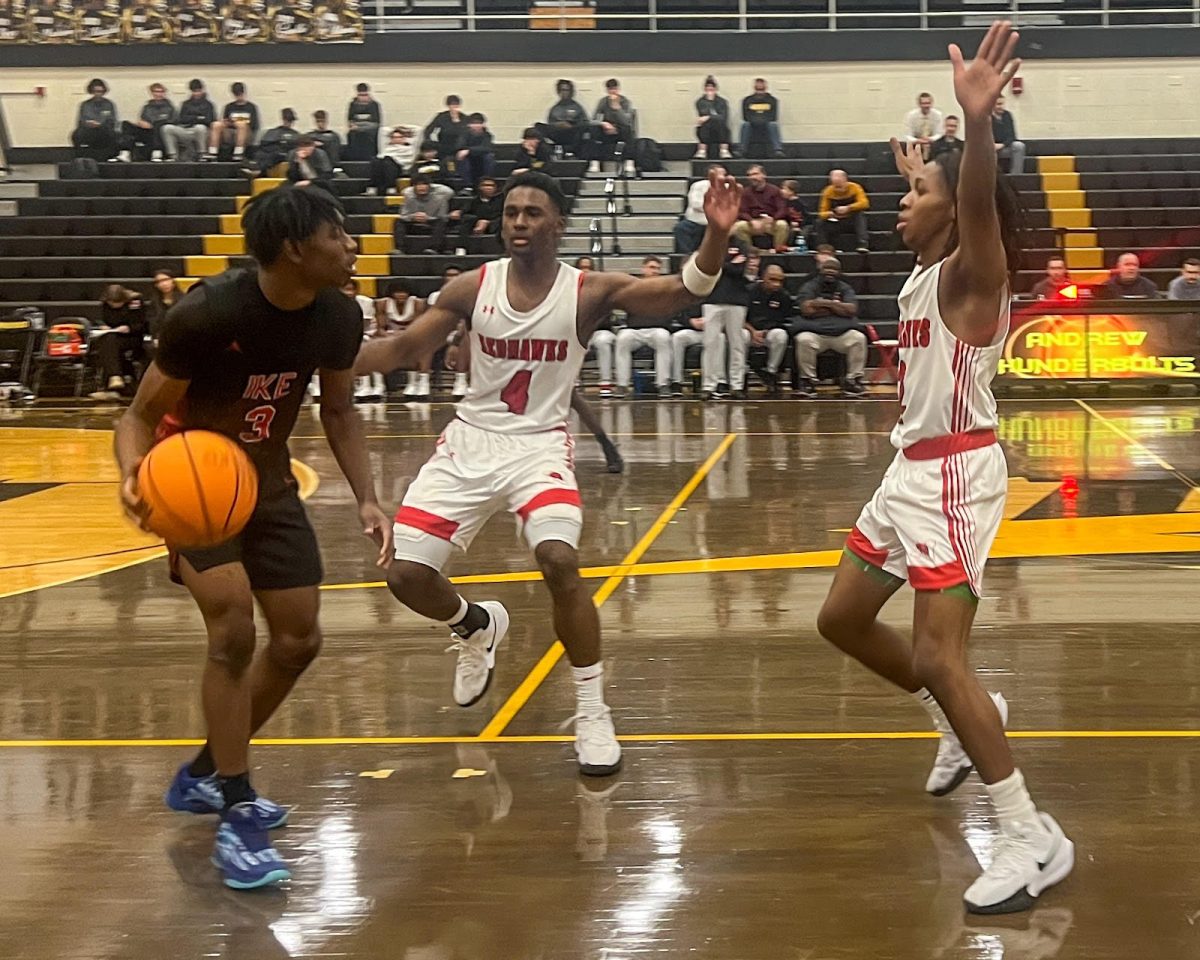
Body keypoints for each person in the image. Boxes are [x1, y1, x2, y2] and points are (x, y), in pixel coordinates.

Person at [355, 169, 741, 776]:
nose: (519, 223)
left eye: (533, 213)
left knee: (559, 560)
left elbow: (684, 290)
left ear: (558, 224)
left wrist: (715, 236)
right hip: (470, 443)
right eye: (511, 213)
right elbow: (399, 351)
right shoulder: (470, 287)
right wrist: (317, 352)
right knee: (404, 574)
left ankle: (592, 708)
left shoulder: (586, 291)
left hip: (538, 446)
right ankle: (474, 625)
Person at [816, 22, 1074, 915]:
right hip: (906, 475)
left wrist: (975, 128)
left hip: (958, 478)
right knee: (843, 619)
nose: (901, 199)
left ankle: (1027, 832)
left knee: (937, 651)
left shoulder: (975, 276)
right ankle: (957, 716)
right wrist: (919, 174)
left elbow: (972, 209)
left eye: (914, 192)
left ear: (958, 212)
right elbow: (938, 214)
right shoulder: (925, 277)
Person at [113, 186, 392, 890]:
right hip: (194, 487)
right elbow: (137, 415)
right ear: (296, 248)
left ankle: (206, 773)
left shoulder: (336, 315)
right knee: (234, 627)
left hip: (265, 485)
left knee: (299, 639)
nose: (351, 244)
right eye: (338, 233)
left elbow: (339, 411)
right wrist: (134, 478)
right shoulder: (209, 312)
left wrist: (368, 497)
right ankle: (238, 813)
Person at [792, 257, 864, 398]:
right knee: (803, 339)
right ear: (820, 270)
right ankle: (808, 381)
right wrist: (837, 306)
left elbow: (851, 309)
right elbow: (806, 309)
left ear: (839, 272)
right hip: (815, 334)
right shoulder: (810, 286)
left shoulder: (845, 287)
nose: (830, 272)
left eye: (834, 269)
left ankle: (853, 380)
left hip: (841, 334)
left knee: (858, 338)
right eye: (827, 268)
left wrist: (823, 304)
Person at [701, 235, 754, 400]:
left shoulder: (742, 244)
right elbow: (706, 267)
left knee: (737, 344)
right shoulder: (710, 242)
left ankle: (736, 386)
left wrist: (720, 265)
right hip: (712, 299)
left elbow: (739, 270)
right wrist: (729, 264)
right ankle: (708, 386)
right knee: (710, 344)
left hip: (736, 300)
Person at [614, 256, 672, 399]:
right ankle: (622, 384)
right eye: (652, 268)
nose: (655, 271)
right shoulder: (633, 288)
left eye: (658, 269)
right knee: (622, 338)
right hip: (634, 330)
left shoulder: (665, 289)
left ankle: (663, 384)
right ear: (644, 269)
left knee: (663, 337)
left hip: (656, 329)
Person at [90, 284, 148, 400]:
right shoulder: (105, 304)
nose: (114, 306)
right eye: (112, 303)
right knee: (107, 341)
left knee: (108, 344)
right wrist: (103, 326)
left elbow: (143, 325)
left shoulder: (135, 301)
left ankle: (112, 381)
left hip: (132, 337)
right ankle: (115, 379)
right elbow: (100, 319)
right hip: (113, 337)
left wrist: (129, 328)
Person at [745, 263, 794, 397]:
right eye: (772, 279)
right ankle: (741, 375)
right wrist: (752, 331)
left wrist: (766, 331)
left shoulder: (784, 296)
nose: (777, 284)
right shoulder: (749, 291)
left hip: (769, 332)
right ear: (762, 278)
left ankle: (771, 373)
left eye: (780, 281)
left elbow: (783, 320)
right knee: (740, 335)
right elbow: (738, 316)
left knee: (781, 335)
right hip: (748, 330)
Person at [734, 164, 789, 253]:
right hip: (753, 222)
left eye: (755, 174)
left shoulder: (774, 190)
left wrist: (774, 219)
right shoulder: (745, 192)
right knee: (739, 226)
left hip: (770, 222)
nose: (752, 177)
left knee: (782, 225)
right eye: (749, 175)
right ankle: (750, 252)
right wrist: (751, 220)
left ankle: (777, 251)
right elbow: (742, 211)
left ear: (764, 175)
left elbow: (782, 209)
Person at [393, 176, 454, 254]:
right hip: (414, 224)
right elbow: (403, 215)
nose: (421, 187)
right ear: (414, 187)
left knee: (441, 222)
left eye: (424, 184)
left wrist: (428, 218)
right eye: (418, 185)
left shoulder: (440, 199)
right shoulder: (409, 198)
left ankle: (434, 249)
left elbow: (443, 217)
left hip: (431, 225)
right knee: (398, 221)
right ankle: (400, 249)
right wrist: (413, 217)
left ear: (429, 187)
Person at [816, 168, 871, 253]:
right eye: (835, 185)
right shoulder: (827, 191)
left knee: (860, 215)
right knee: (820, 222)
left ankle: (863, 243)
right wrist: (832, 213)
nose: (838, 189)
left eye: (840, 185)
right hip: (837, 220)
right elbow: (822, 213)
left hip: (852, 220)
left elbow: (864, 203)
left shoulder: (855, 187)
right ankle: (824, 247)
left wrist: (848, 208)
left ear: (845, 179)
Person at [674, 163, 725, 255]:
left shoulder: (727, 187)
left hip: (714, 223)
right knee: (680, 228)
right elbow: (696, 204)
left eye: (724, 174)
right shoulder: (698, 185)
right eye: (720, 173)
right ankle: (688, 255)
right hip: (694, 222)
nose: (723, 176)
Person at [590, 79, 636, 176]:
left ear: (618, 89)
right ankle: (595, 162)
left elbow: (627, 121)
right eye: (610, 89)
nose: (613, 91)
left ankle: (629, 161)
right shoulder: (603, 102)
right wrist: (603, 124)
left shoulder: (625, 101)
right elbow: (593, 119)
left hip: (620, 129)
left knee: (628, 130)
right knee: (594, 130)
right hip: (607, 128)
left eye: (614, 89)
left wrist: (617, 108)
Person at [120, 82, 176, 162]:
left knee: (158, 124)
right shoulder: (147, 107)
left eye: (161, 92)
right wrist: (140, 123)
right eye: (156, 92)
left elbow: (172, 121)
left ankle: (157, 152)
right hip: (146, 132)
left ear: (164, 93)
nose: (158, 94)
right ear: (152, 93)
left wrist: (152, 125)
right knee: (125, 124)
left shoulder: (170, 108)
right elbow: (142, 119)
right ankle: (125, 152)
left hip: (159, 133)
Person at [161, 78, 214, 161]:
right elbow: (182, 119)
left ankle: (202, 154)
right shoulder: (185, 104)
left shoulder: (208, 105)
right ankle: (173, 156)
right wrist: (198, 118)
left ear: (202, 90)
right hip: (185, 129)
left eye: (198, 91)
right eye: (194, 91)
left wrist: (192, 118)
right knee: (167, 128)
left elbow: (209, 120)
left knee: (200, 128)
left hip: (200, 131)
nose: (196, 93)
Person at [207, 82, 259, 161]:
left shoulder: (251, 107)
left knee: (241, 125)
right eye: (236, 95)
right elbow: (225, 121)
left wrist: (237, 123)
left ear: (244, 93)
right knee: (216, 124)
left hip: (246, 133)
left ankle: (238, 153)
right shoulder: (229, 107)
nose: (238, 97)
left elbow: (254, 124)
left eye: (240, 94)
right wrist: (231, 123)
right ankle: (212, 152)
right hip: (230, 133)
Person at [537, 79, 589, 157]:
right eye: (562, 90)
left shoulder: (577, 107)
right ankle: (547, 153)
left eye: (567, 90)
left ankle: (571, 151)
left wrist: (571, 126)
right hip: (558, 133)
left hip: (572, 134)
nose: (564, 92)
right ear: (558, 91)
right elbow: (550, 124)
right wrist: (558, 125)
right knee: (538, 126)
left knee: (585, 128)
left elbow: (585, 123)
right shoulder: (554, 108)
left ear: (571, 91)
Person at [71, 78, 119, 162]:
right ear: (92, 91)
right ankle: (79, 157)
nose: (98, 94)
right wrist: (89, 123)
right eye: (96, 91)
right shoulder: (85, 105)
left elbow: (112, 120)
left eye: (100, 91)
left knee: (113, 134)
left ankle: (109, 156)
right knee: (76, 134)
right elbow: (81, 120)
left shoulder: (109, 104)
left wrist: (100, 124)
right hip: (89, 130)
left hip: (104, 130)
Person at [449, 176, 502, 247]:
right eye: (485, 185)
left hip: (495, 225)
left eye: (492, 186)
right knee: (468, 219)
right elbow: (465, 212)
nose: (489, 188)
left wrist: (487, 222)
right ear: (479, 187)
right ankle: (461, 248)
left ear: (496, 188)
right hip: (474, 225)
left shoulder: (501, 201)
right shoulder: (474, 201)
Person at [245, 107, 299, 175]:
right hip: (271, 150)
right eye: (287, 120)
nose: (288, 123)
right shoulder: (274, 131)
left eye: (290, 121)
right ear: (283, 119)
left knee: (274, 155)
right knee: (257, 152)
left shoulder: (295, 134)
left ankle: (258, 169)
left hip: (284, 153)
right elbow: (264, 143)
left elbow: (295, 146)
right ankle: (254, 167)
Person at [740, 77, 783, 158]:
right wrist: (756, 120)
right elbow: (745, 116)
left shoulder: (772, 100)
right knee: (745, 125)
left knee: (773, 125)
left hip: (767, 123)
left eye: (761, 84)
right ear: (754, 86)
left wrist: (761, 119)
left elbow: (773, 116)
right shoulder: (747, 100)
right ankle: (742, 150)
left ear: (765, 86)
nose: (759, 86)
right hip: (752, 123)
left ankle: (778, 150)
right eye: (758, 84)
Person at [366, 126, 414, 195]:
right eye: (394, 137)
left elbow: (408, 160)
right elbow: (381, 156)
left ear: (404, 138)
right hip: (384, 166)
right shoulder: (387, 148)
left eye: (399, 137)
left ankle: (391, 187)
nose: (396, 139)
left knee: (388, 161)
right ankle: (372, 187)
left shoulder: (409, 149)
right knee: (376, 161)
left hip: (399, 166)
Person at [694, 75, 732, 161]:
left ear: (715, 89)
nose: (710, 91)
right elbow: (702, 115)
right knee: (703, 126)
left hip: (719, 125)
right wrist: (709, 102)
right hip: (707, 126)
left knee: (722, 125)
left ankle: (724, 150)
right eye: (708, 89)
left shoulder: (722, 101)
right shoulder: (700, 101)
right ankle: (702, 150)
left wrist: (709, 117)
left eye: (712, 89)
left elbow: (723, 117)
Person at [455, 113, 495, 189]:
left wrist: (469, 150)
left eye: (479, 123)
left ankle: (486, 182)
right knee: (461, 156)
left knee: (489, 157)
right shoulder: (464, 134)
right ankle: (468, 185)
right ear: (469, 125)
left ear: (483, 125)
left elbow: (487, 148)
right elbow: (459, 146)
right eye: (474, 123)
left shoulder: (487, 135)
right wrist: (472, 151)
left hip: (481, 159)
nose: (476, 126)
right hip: (469, 159)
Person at [424, 94, 467, 165]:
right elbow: (428, 130)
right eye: (452, 105)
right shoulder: (441, 117)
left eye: (456, 105)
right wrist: (430, 146)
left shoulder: (465, 118)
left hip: (460, 147)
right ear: (448, 106)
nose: (454, 107)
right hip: (444, 145)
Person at [345, 82, 381, 161]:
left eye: (365, 95)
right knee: (350, 134)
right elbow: (350, 121)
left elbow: (376, 124)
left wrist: (359, 127)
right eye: (360, 95)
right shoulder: (352, 104)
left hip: (370, 132)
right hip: (356, 131)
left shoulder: (374, 105)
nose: (363, 98)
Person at [991, 95, 1025, 175]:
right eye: (998, 104)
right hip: (990, 148)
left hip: (1004, 147)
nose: (1001, 106)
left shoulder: (1007, 115)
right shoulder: (986, 116)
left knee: (1019, 146)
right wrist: (991, 145)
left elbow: (1012, 136)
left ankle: (1016, 175)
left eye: (1002, 104)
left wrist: (1002, 145)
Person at [904, 92, 944, 156]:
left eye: (928, 103)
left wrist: (930, 139)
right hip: (915, 145)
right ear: (919, 104)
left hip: (933, 145)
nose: (926, 106)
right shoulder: (911, 116)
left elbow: (940, 133)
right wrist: (918, 141)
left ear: (932, 103)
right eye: (924, 103)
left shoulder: (938, 115)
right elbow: (907, 135)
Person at [149, 268, 182, 342]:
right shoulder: (154, 303)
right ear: (156, 285)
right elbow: (152, 323)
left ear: (173, 281)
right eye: (159, 282)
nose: (163, 284)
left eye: (166, 279)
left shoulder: (184, 299)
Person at [778, 179, 809, 250]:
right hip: (790, 225)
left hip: (802, 225)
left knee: (803, 234)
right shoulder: (783, 203)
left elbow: (807, 217)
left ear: (791, 191)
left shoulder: (801, 204)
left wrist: (799, 225)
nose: (781, 191)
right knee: (789, 231)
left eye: (784, 189)